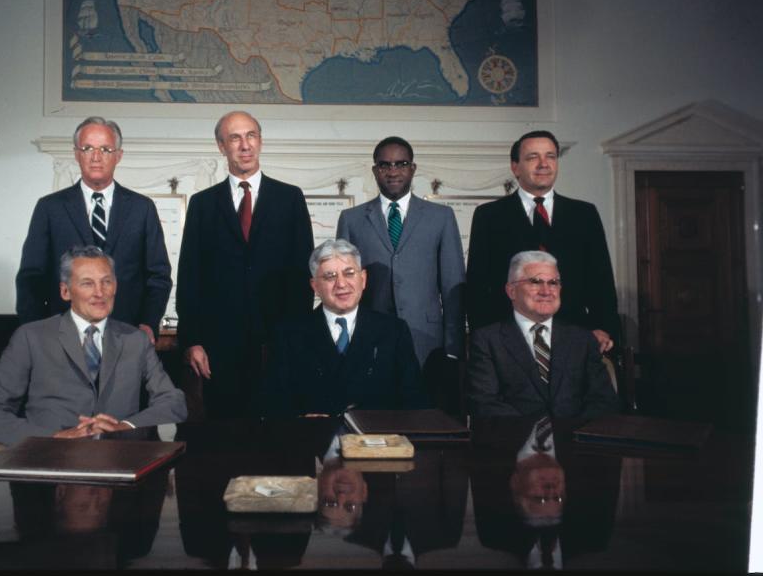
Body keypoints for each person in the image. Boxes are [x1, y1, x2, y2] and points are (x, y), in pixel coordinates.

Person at [0, 246, 186, 446]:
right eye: (87, 283)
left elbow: (173, 402)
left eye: (106, 281)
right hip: (49, 465)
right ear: (65, 291)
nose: (100, 293)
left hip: (118, 463)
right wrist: (52, 438)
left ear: (115, 286)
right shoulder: (31, 337)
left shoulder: (136, 340)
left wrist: (125, 427)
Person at [176, 110, 314, 418]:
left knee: (279, 441)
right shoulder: (202, 204)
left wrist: (298, 339)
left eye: (251, 136)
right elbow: (189, 278)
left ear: (260, 141)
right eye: (235, 138)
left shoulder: (290, 198)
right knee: (224, 443)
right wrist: (192, 341)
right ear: (221, 146)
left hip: (277, 344)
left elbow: (302, 276)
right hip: (219, 348)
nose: (245, 145)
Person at [15, 116, 171, 342]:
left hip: (126, 334)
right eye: (88, 148)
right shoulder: (50, 208)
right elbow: (31, 278)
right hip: (61, 336)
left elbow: (159, 275)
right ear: (77, 153)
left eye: (106, 149)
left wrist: (148, 323)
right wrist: (35, 332)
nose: (96, 157)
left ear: (118, 155)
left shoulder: (142, 208)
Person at [466, 130, 620, 353]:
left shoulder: (584, 214)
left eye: (550, 156)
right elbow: (478, 284)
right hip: (508, 339)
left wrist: (603, 328)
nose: (543, 164)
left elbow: (601, 279)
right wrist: (484, 339)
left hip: (574, 335)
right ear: (515, 167)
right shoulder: (489, 215)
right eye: (532, 157)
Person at [336, 136, 465, 368]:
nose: (393, 171)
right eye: (385, 165)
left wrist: (454, 346)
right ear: (375, 170)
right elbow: (342, 287)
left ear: (412, 168)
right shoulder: (351, 219)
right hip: (369, 339)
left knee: (426, 403)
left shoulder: (441, 217)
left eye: (401, 164)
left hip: (427, 340)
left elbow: (452, 285)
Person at [262, 238, 429, 417]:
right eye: (330, 276)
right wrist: (300, 420)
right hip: (313, 440)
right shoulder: (289, 334)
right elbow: (273, 403)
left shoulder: (393, 331)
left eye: (349, 273)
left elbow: (415, 402)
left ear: (363, 279)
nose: (341, 284)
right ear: (315, 286)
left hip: (377, 441)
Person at [466, 250, 619, 419]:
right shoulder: (488, 341)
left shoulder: (582, 339)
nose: (546, 291)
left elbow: (603, 401)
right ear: (511, 291)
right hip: (515, 440)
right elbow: (484, 403)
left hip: (574, 440)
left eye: (553, 282)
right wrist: (534, 436)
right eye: (535, 282)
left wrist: (569, 435)